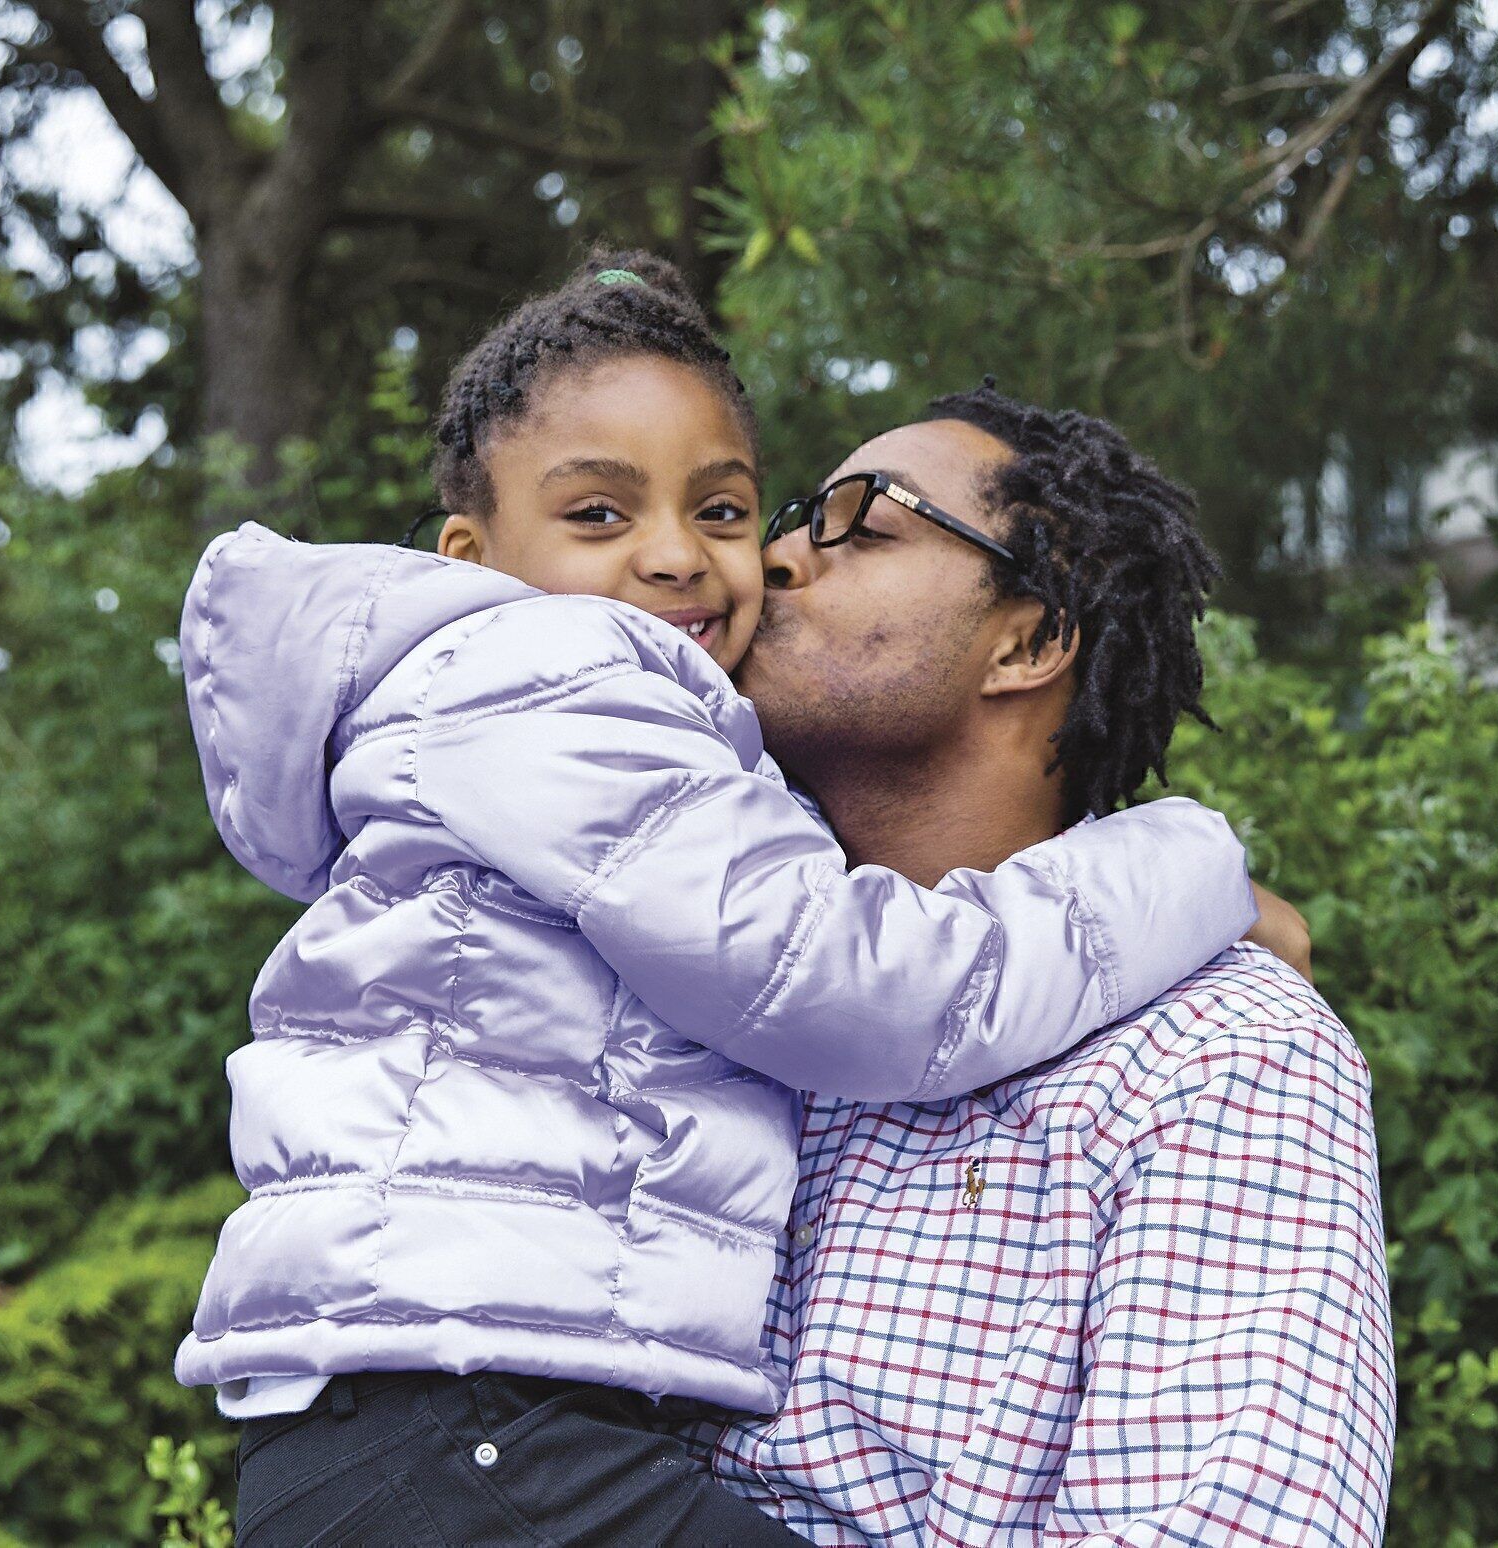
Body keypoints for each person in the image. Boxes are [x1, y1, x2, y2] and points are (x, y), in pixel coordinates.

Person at [177, 251, 1291, 1546]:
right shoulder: (548, 685)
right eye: (597, 516)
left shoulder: (1221, 1057)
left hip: (468, 1422)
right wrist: (1186, 865)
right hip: (469, 1421)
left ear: (1033, 640)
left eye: (723, 511)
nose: (683, 559)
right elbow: (861, 981)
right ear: (473, 560)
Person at [698, 384, 1396, 1545]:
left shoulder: (1219, 1061)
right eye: (786, 517)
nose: (771, 558)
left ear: (1028, 640)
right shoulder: (693, 984)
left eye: (863, 526)